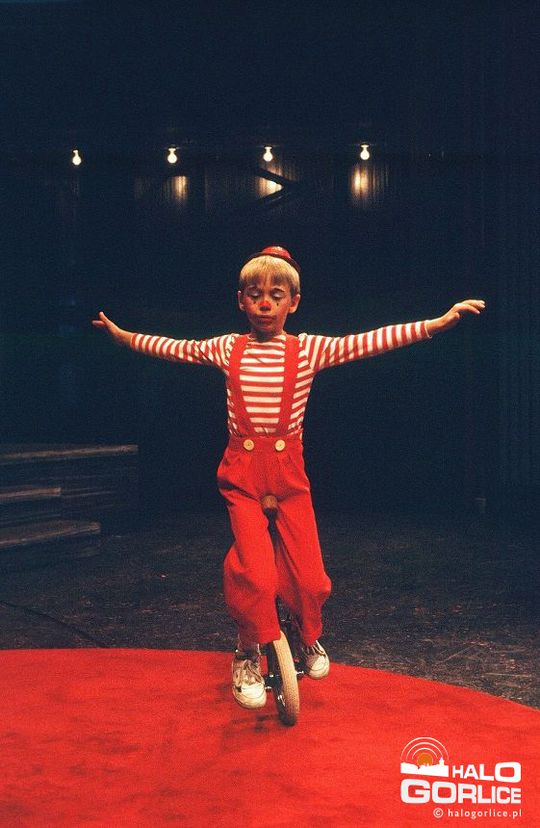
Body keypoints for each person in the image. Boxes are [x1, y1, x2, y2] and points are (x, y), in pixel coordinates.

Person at [92, 246, 485, 710]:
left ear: (293, 302)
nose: (265, 303)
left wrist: (436, 324)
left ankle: (304, 632)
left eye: (276, 295)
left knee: (312, 580)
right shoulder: (226, 347)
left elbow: (370, 340)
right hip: (242, 475)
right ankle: (246, 651)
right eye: (255, 295)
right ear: (241, 300)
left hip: (289, 475)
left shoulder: (309, 349)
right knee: (256, 574)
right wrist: (123, 336)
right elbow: (173, 347)